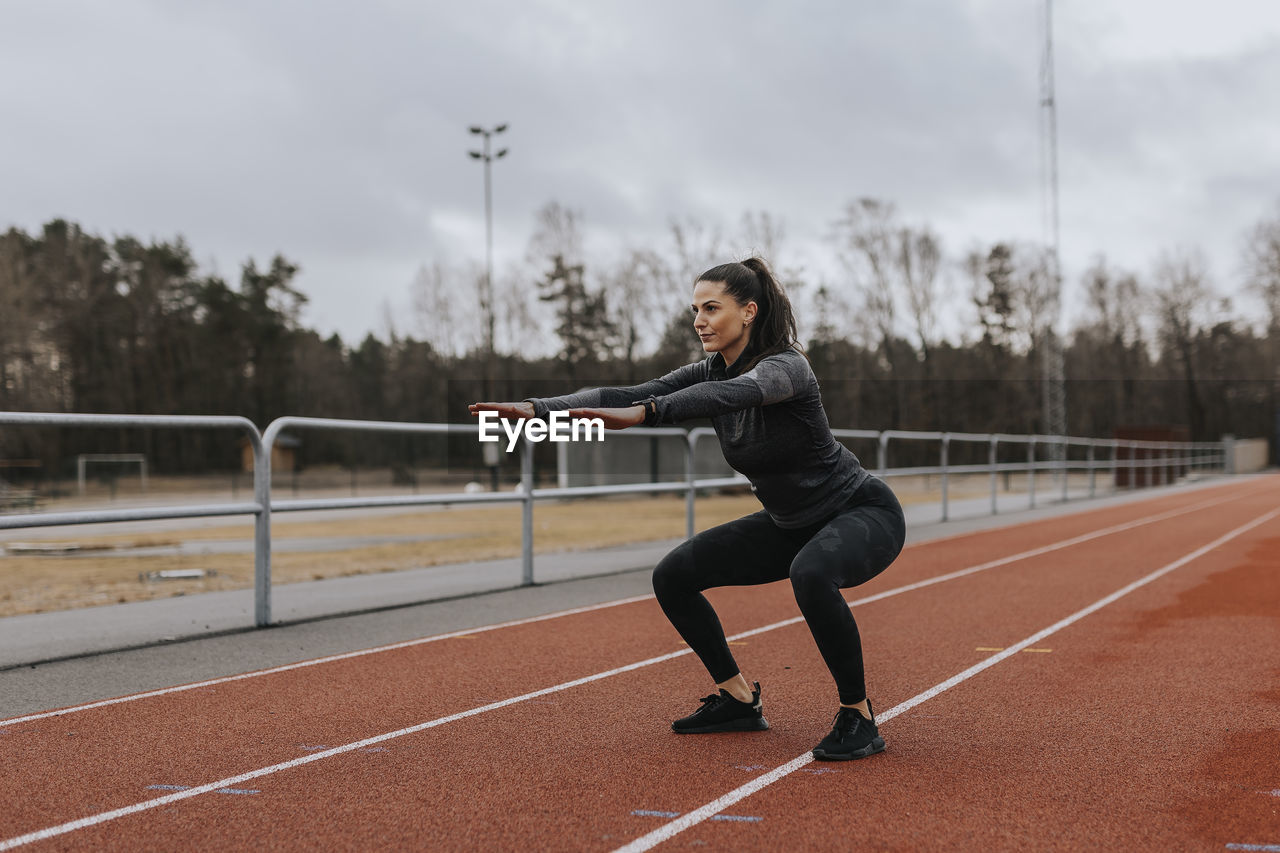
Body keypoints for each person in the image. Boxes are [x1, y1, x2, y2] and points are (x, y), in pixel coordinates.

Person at [469, 257, 906, 761]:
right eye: (694, 309)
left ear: (749, 312)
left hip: (860, 511)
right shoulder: (706, 369)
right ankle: (739, 700)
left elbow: (731, 394)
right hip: (790, 523)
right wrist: (539, 409)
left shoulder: (788, 366)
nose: (698, 320)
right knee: (673, 575)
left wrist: (652, 412)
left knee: (809, 573)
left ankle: (859, 715)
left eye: (711, 308)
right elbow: (628, 393)